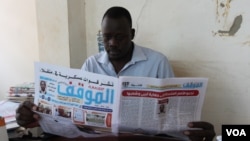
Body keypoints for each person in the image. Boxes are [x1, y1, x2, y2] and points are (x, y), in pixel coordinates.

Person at [16, 6, 215, 141]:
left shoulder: (157, 62)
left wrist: (193, 130)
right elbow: (75, 111)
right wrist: (34, 113)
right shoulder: (91, 64)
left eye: (120, 37)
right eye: (107, 37)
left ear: (133, 34)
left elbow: (171, 112)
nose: (112, 43)